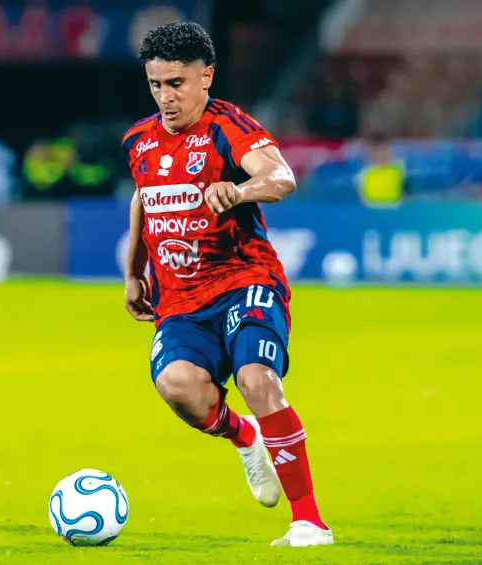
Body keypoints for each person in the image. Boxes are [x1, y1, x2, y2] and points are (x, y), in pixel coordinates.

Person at [121, 21, 332, 548]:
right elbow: (143, 200)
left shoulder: (227, 126)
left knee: (258, 379)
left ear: (205, 76)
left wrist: (239, 192)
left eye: (176, 84)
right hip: (180, 299)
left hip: (244, 279)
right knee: (179, 388)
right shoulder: (139, 140)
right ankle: (244, 437)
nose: (166, 97)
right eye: (156, 85)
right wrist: (132, 273)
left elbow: (281, 176)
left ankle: (308, 521)